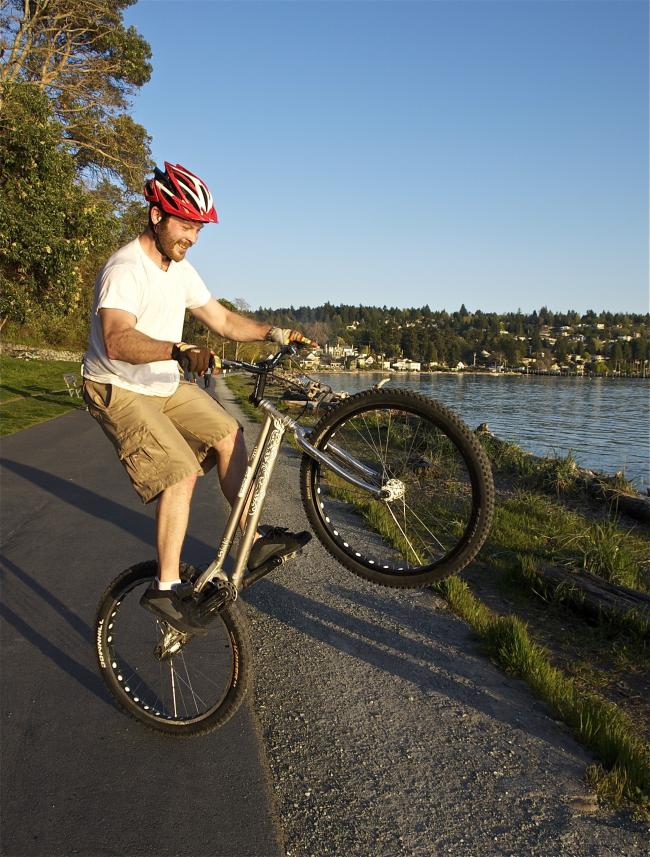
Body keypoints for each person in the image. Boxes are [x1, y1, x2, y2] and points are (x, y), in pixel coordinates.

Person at [83, 161, 316, 635]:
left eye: (198, 227)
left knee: (229, 432)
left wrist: (275, 333)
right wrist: (178, 348)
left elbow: (225, 321)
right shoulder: (125, 268)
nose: (192, 236)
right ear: (156, 216)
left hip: (160, 383)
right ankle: (166, 590)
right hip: (117, 386)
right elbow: (117, 340)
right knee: (181, 472)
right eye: (186, 224)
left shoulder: (181, 270)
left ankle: (252, 539)